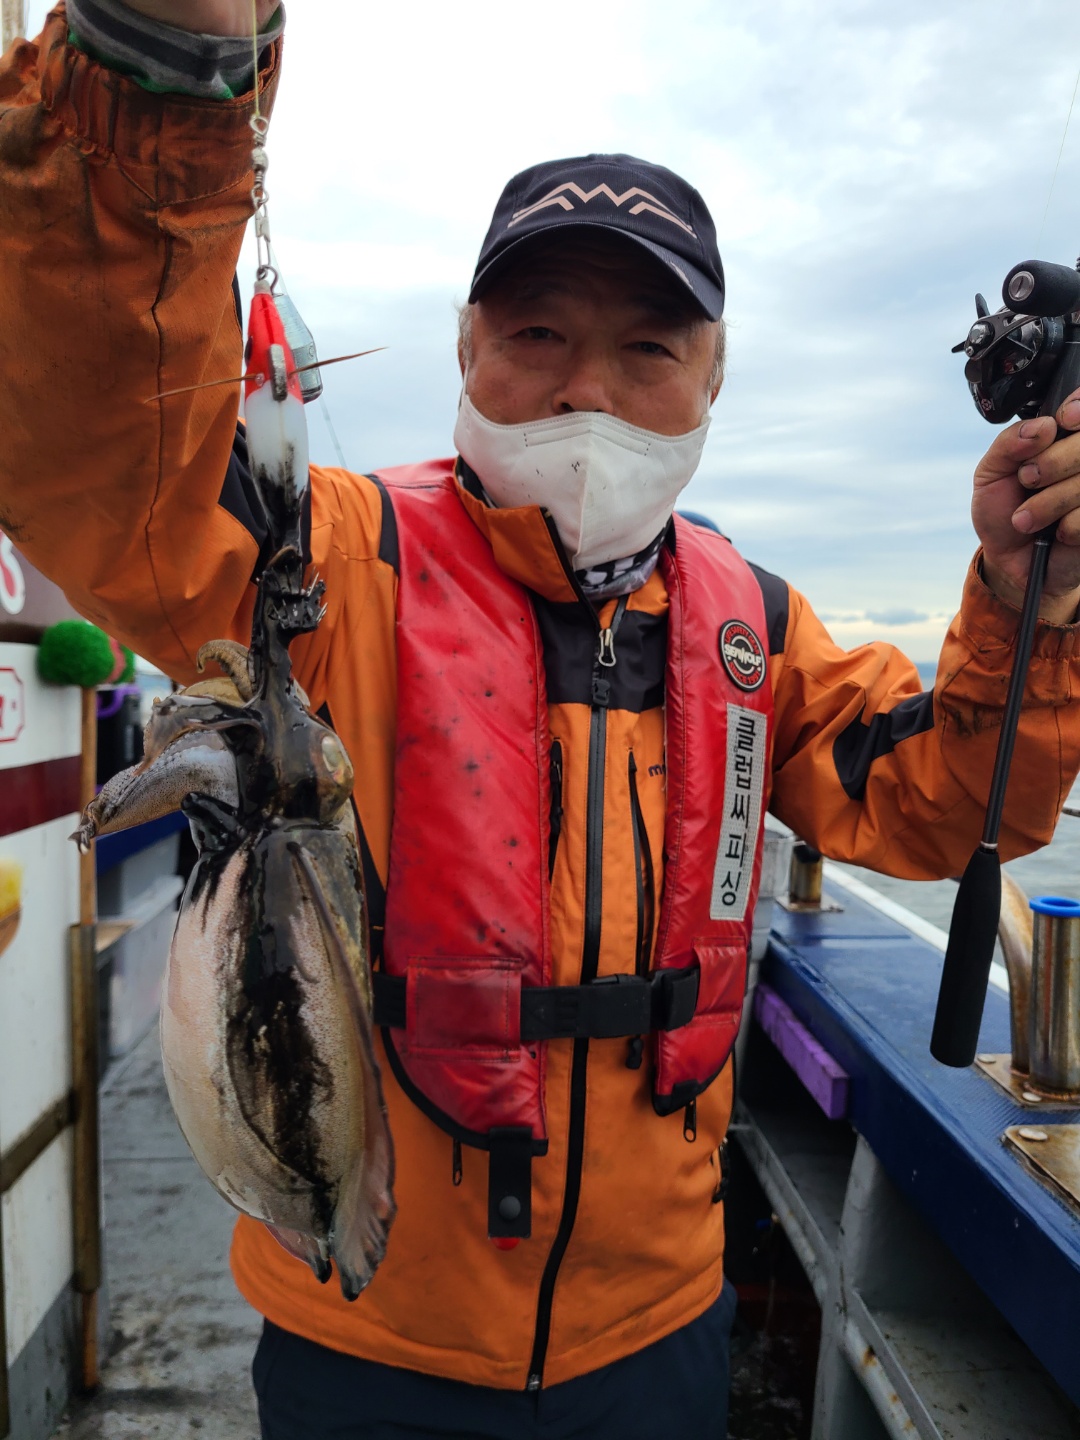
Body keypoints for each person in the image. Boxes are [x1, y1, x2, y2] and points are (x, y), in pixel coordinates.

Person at [3, 6, 1080, 1438]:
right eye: (537, 334)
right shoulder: (325, 563)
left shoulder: (755, 623)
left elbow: (938, 807)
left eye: (648, 347)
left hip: (662, 1331)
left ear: (713, 375)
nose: (586, 389)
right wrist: (165, 78)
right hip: (363, 1333)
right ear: (465, 347)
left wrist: (1024, 603)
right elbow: (100, 453)